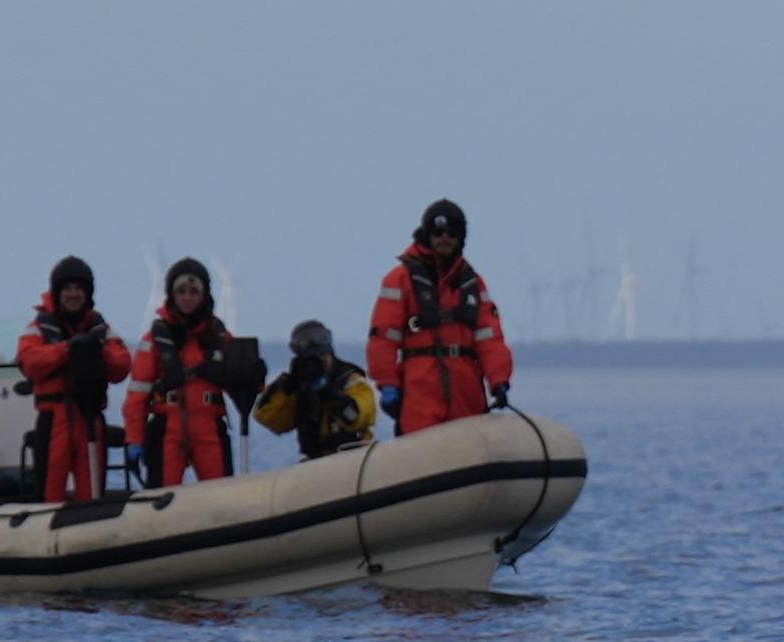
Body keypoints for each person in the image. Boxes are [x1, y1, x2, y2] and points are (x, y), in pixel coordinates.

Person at [367, 198, 513, 434]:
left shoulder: (473, 283)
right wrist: (387, 385)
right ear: (427, 233)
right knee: (420, 449)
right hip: (420, 391)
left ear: (462, 237)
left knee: (469, 445)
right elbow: (383, 338)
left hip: (466, 393)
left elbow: (490, 339)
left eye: (452, 232)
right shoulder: (400, 279)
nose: (445, 237)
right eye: (438, 231)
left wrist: (498, 380)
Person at [17, 256, 131, 503]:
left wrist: (93, 350)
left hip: (89, 417)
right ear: (57, 292)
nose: (73, 294)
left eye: (79, 288)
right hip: (53, 419)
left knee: (92, 496)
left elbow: (121, 366)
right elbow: (30, 362)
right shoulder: (37, 328)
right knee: (49, 497)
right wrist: (69, 350)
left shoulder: (100, 329)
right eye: (67, 288)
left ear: (88, 293)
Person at [123, 257, 234, 488]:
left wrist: (254, 372)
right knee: (162, 497)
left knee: (221, 496)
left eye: (194, 292)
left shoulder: (220, 338)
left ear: (204, 295)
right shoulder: (154, 340)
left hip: (209, 427)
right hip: (168, 428)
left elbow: (245, 382)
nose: (187, 297)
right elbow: (137, 395)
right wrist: (134, 439)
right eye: (181, 291)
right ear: (172, 295)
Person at [253, 320, 375, 458]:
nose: (319, 364)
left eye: (323, 356)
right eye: (313, 360)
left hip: (353, 457)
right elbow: (267, 417)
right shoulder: (300, 387)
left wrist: (330, 394)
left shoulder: (351, 381)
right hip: (316, 463)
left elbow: (356, 416)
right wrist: (287, 386)